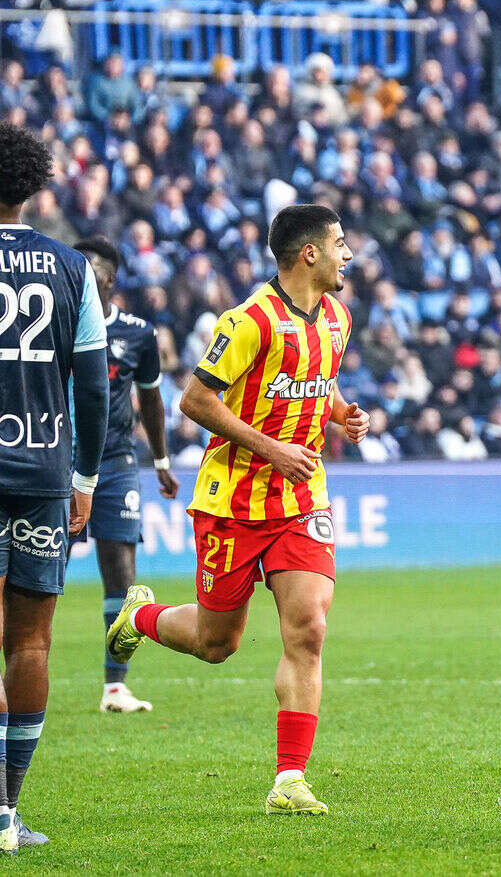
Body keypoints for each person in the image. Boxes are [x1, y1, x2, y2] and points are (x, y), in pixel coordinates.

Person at [105, 205, 369, 815]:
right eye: (339, 244)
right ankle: (140, 617)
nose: (347, 255)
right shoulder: (248, 321)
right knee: (216, 642)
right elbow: (194, 401)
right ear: (310, 254)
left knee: (309, 627)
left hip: (302, 499)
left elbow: (312, 381)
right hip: (233, 501)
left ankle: (290, 780)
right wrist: (272, 448)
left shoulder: (337, 318)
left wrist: (340, 412)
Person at [0, 123, 110, 852]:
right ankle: (7, 812)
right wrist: (85, 479)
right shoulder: (73, 268)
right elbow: (95, 387)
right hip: (43, 471)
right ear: (35, 183)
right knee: (31, 642)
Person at [74, 237, 178, 715]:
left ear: (111, 279)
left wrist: (159, 460)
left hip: (116, 464)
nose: (84, 277)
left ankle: (115, 687)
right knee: (29, 576)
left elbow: (152, 399)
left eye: (92, 271)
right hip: (56, 462)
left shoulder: (137, 334)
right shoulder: (52, 325)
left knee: (121, 577)